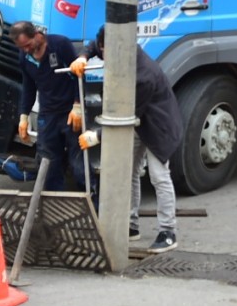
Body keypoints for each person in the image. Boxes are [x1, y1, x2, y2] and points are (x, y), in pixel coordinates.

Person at [71, 26, 183, 254]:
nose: (104, 56)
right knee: (129, 171)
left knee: (159, 176)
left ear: (122, 50)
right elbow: (95, 45)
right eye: (102, 51)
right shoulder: (110, 44)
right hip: (138, 123)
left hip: (158, 125)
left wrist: (97, 136)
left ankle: (168, 232)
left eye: (107, 53)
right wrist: (82, 57)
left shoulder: (144, 76)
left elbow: (127, 117)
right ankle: (130, 226)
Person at [10, 20, 94, 194]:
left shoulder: (60, 45)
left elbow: (79, 75)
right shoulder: (24, 57)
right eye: (22, 47)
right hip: (47, 115)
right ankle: (53, 208)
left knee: (79, 164)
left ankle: (92, 204)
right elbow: (29, 86)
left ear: (36, 35)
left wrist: (77, 105)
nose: (26, 50)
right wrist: (23, 116)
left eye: (28, 45)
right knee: (48, 165)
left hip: (70, 112)